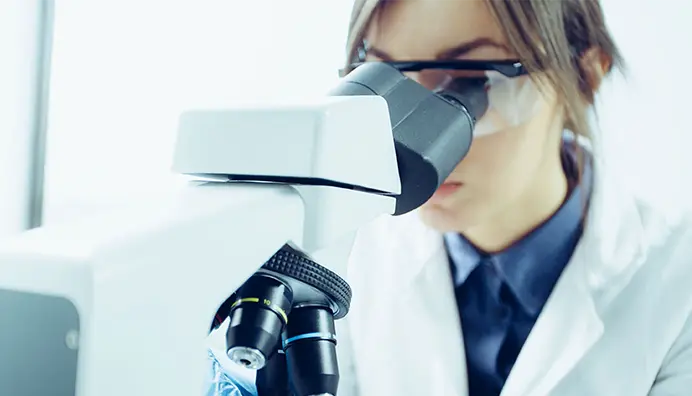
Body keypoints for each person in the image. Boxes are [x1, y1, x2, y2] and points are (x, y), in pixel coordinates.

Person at [207, 0, 692, 394]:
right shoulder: (346, 262)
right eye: (387, 79)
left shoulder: (678, 291)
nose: (410, 141)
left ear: (584, 78)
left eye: (469, 81)